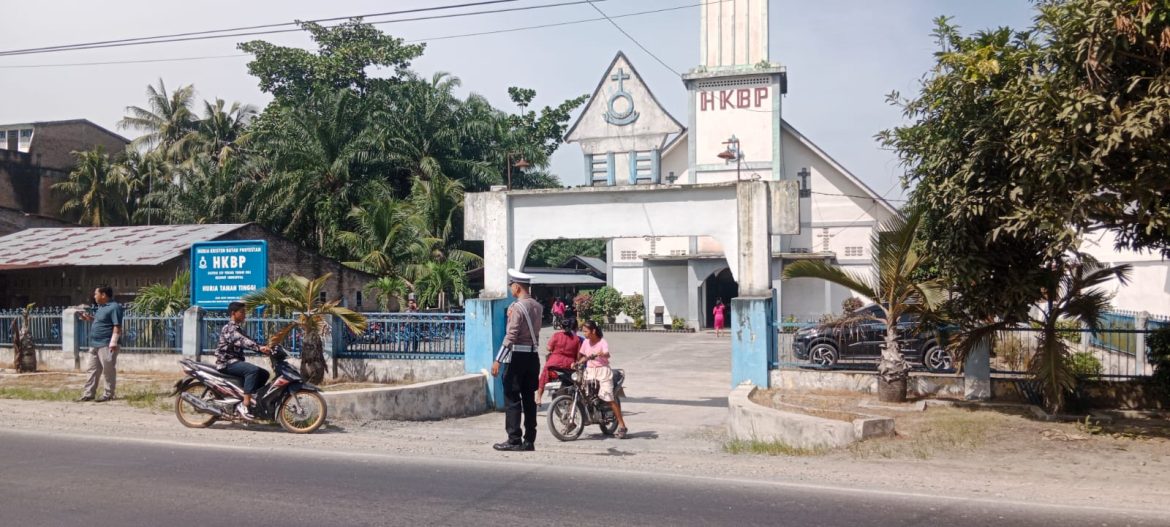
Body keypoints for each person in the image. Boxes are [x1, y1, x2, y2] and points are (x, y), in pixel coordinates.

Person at [492, 269, 543, 452]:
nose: (510, 289)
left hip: (517, 358)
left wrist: (498, 360)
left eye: (511, 286)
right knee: (529, 399)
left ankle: (514, 439)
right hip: (533, 357)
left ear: (516, 286)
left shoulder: (517, 308)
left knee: (512, 398)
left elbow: (511, 336)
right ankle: (529, 440)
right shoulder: (538, 306)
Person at [214, 301, 272, 420]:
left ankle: (254, 401)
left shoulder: (238, 328)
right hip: (227, 362)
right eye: (242, 312)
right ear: (233, 313)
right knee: (252, 371)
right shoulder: (229, 328)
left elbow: (249, 340)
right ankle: (245, 405)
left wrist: (264, 348)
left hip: (235, 361)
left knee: (264, 374)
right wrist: (259, 348)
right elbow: (243, 341)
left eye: (245, 312)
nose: (245, 314)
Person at [576, 320, 629, 439]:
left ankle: (622, 425)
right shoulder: (585, 342)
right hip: (590, 372)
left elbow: (607, 354)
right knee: (583, 394)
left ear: (593, 331)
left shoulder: (602, 342)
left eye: (586, 331)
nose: (584, 333)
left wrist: (601, 354)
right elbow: (584, 356)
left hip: (603, 372)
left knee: (608, 398)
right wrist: (576, 363)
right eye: (583, 331)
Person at [77, 285, 124, 402]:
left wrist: (113, 342)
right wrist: (90, 318)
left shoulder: (115, 307)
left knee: (108, 370)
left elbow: (117, 326)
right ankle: (88, 394)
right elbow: (103, 321)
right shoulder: (101, 307)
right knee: (92, 369)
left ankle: (108, 394)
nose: (94, 296)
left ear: (103, 295)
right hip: (95, 344)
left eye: (95, 293)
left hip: (106, 344)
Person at [535, 318, 581, 405]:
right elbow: (578, 356)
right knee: (576, 380)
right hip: (568, 365)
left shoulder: (556, 335)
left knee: (544, 377)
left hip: (553, 363)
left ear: (561, 326)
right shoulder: (576, 339)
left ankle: (538, 398)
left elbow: (548, 348)